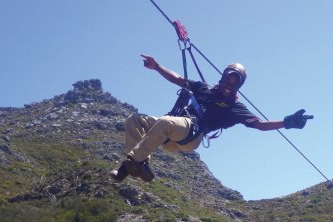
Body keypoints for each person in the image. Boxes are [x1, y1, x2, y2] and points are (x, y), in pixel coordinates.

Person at [110, 54, 313, 182]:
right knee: (134, 120)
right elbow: (178, 79)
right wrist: (157, 66)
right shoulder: (204, 88)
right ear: (223, 76)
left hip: (191, 136)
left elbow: (259, 125)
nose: (229, 85)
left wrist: (287, 122)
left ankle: (129, 165)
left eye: (234, 83)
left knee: (166, 122)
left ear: (238, 87)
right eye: (228, 79)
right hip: (171, 132)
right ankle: (135, 165)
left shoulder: (235, 107)